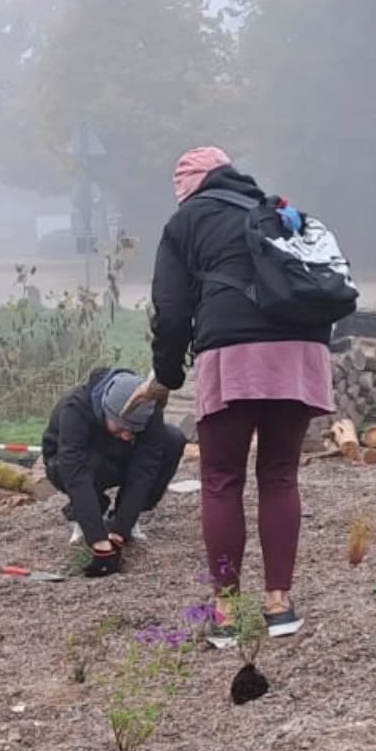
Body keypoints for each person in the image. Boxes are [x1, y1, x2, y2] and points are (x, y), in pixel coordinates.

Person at [128, 146, 334, 638]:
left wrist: (166, 377)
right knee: (280, 476)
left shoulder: (186, 223)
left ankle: (225, 613)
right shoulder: (277, 210)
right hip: (299, 352)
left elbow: (172, 311)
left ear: (187, 186)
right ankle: (279, 606)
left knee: (222, 480)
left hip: (231, 354)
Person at [41, 367, 187, 577]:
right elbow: (75, 473)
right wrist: (98, 541)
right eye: (121, 428)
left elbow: (145, 468)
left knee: (172, 440)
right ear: (107, 412)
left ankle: (123, 515)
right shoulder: (75, 408)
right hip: (66, 463)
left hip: (115, 454)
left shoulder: (147, 404)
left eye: (134, 430)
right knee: (89, 463)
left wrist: (120, 529)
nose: (128, 435)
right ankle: (85, 513)